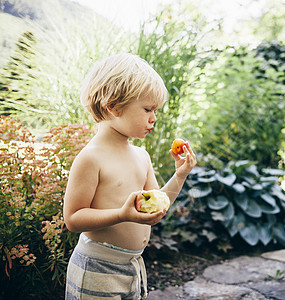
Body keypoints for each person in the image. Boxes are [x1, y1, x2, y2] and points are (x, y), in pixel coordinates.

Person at [63, 53, 197, 299]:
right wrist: (121, 215)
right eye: (147, 109)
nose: (154, 118)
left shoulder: (141, 156)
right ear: (113, 106)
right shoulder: (91, 157)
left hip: (132, 266)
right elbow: (73, 218)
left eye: (155, 110)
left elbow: (159, 202)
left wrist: (180, 175)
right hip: (96, 268)